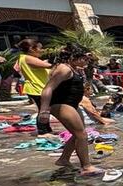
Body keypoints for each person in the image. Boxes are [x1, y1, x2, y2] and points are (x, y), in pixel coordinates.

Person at [37, 44, 103, 177]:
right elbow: (48, 88)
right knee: (81, 135)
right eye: (84, 58)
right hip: (62, 104)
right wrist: (44, 110)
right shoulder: (64, 69)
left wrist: (87, 56)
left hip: (72, 104)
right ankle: (86, 167)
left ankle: (64, 159)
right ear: (73, 57)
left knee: (78, 133)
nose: (86, 61)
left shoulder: (74, 68)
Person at [15, 38, 52, 113]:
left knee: (43, 110)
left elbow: (40, 65)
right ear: (31, 49)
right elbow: (49, 66)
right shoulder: (28, 58)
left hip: (37, 87)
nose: (42, 50)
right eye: (40, 48)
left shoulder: (24, 57)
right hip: (37, 88)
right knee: (44, 111)